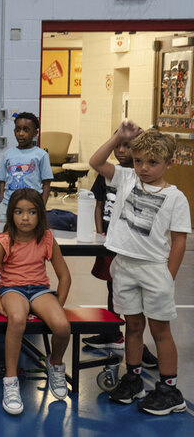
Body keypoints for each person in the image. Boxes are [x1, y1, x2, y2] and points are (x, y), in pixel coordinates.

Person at [89, 123, 190, 415]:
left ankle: (170, 390)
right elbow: (96, 162)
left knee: (160, 331)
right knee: (132, 326)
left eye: (152, 162)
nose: (143, 168)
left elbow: (179, 241)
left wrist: (168, 276)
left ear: (169, 163)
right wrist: (119, 137)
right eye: (138, 160)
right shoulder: (125, 178)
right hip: (125, 266)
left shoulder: (176, 198)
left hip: (154, 269)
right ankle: (133, 380)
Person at [0, 188, 72, 416]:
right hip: (12, 289)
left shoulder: (47, 238)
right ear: (11, 214)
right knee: (17, 319)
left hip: (39, 290)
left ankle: (55, 363)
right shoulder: (4, 241)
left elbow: (65, 276)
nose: (25, 218)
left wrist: (57, 306)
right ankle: (11, 381)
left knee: (62, 326)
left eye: (32, 212)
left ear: (40, 215)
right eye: (19, 212)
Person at [84, 133, 158, 367]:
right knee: (112, 286)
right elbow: (97, 204)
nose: (121, 151)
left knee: (134, 295)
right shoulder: (108, 173)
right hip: (109, 242)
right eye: (118, 146)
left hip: (134, 246)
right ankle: (112, 332)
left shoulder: (143, 178)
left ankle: (138, 344)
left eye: (127, 146)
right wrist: (99, 232)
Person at [0, 112, 53, 222]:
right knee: (7, 234)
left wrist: (41, 206)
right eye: (18, 130)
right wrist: (2, 202)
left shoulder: (41, 155)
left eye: (26, 130)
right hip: (8, 205)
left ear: (35, 133)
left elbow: (46, 184)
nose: (21, 134)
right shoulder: (7, 154)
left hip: (32, 205)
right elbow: (2, 181)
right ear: (14, 131)